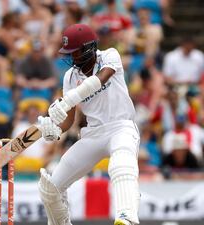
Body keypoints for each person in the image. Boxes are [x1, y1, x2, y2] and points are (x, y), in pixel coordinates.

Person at [36, 24, 140, 225]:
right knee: (51, 189)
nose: (72, 58)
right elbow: (69, 121)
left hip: (121, 127)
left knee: (121, 164)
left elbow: (101, 79)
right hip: (93, 134)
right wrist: (54, 131)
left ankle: (126, 217)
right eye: (69, 53)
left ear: (89, 47)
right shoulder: (70, 76)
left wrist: (67, 100)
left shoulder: (109, 56)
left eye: (75, 52)